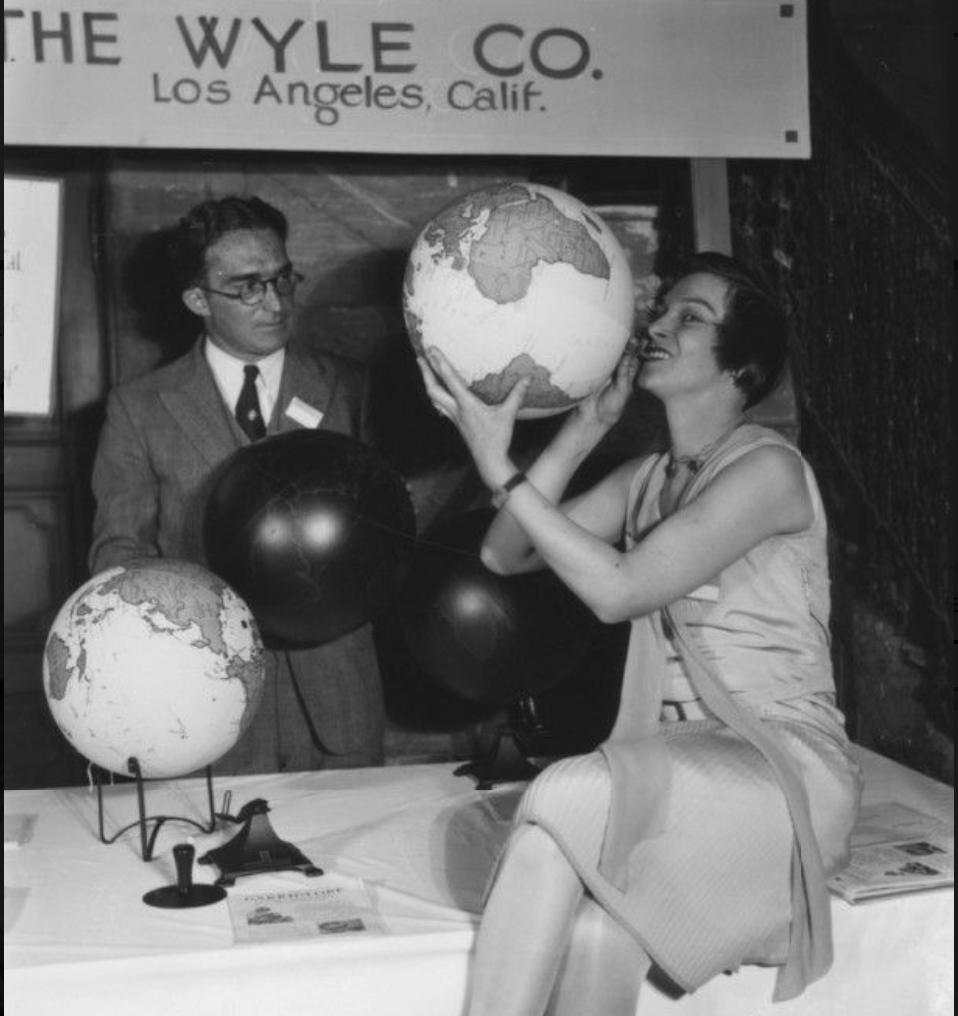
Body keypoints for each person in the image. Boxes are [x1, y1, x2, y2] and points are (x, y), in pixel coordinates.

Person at [417, 251, 862, 1016]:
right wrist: (586, 428)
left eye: (691, 318)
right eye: (662, 310)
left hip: (783, 764)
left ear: (742, 369)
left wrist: (497, 462)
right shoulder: (649, 477)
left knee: (562, 798)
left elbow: (618, 592)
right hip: (679, 765)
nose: (656, 325)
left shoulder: (769, 471)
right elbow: (505, 552)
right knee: (594, 931)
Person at [89, 195, 385, 773]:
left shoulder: (350, 388)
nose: (274, 302)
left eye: (282, 279)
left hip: (338, 706)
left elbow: (388, 529)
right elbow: (116, 557)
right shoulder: (139, 409)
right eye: (248, 287)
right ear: (197, 299)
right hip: (208, 708)